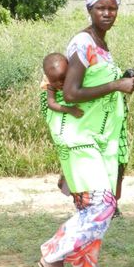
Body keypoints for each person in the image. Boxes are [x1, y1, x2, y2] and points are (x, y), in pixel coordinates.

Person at [38, 0, 134, 267]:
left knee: (96, 210)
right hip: (82, 139)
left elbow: (98, 85)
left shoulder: (100, 44)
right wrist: (116, 87)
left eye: (112, 8)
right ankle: (52, 255)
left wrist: (125, 82)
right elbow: (71, 92)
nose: (107, 13)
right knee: (102, 204)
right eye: (101, 8)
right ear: (89, 10)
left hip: (101, 139)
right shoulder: (83, 43)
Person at [40, 52, 84, 198]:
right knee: (67, 149)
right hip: (60, 115)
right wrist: (69, 110)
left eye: (64, 78)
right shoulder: (50, 84)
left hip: (76, 119)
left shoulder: (73, 74)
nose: (61, 83)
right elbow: (51, 104)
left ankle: (69, 180)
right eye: (55, 81)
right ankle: (67, 180)